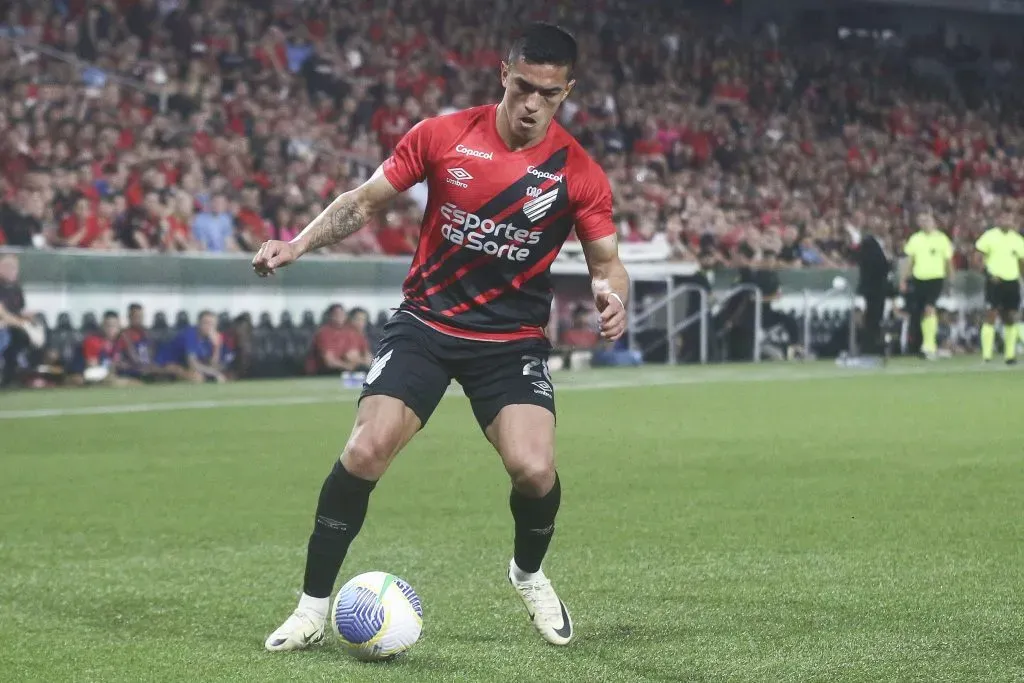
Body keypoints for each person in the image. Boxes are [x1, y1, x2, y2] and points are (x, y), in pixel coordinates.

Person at [253, 23, 628, 651]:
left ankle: (527, 573)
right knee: (365, 451)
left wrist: (611, 294)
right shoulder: (443, 135)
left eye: (551, 94)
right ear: (504, 75)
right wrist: (296, 244)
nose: (534, 104)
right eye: (525, 87)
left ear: (568, 92)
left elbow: (607, 262)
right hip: (426, 323)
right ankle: (312, 608)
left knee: (534, 470)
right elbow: (364, 201)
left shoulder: (577, 172)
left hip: (510, 341)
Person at [901, 213, 954, 360]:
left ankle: (929, 346)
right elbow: (909, 261)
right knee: (921, 313)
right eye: (922, 221)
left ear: (934, 222)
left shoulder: (942, 239)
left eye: (927, 221)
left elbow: (948, 262)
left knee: (929, 308)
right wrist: (903, 280)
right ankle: (925, 345)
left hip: (936, 279)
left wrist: (950, 280)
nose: (925, 223)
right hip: (919, 279)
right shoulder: (915, 239)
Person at [975, 213, 1024, 364]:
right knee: (991, 315)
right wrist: (987, 273)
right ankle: (987, 356)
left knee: (1011, 317)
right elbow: (978, 256)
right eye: (1003, 218)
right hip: (994, 281)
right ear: (998, 220)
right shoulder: (989, 236)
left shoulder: (1017, 239)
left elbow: (1021, 262)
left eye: (1009, 219)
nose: (1006, 221)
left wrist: (1021, 278)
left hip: (1012, 282)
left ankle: (1010, 355)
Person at [156, 310, 233, 382]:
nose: (209, 327)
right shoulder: (191, 334)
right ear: (198, 323)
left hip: (184, 365)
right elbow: (192, 363)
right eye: (205, 323)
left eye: (212, 324)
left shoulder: (211, 339)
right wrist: (214, 373)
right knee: (197, 377)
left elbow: (213, 365)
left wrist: (216, 347)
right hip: (165, 363)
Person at [305, 304, 372, 375]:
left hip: (347, 370)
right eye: (336, 314)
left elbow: (358, 355)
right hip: (323, 372)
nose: (340, 317)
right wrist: (350, 366)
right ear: (330, 316)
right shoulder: (324, 333)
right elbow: (330, 362)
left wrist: (362, 362)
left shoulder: (351, 332)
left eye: (342, 314)